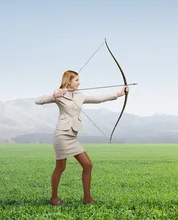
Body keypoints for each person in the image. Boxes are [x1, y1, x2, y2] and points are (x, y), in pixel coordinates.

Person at [35, 69, 129, 206]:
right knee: (60, 167)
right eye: (77, 80)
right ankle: (54, 198)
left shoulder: (80, 96)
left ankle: (87, 198)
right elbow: (38, 101)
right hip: (61, 136)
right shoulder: (59, 94)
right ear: (68, 82)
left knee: (88, 165)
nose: (79, 83)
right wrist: (55, 95)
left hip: (73, 137)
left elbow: (98, 98)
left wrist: (120, 94)